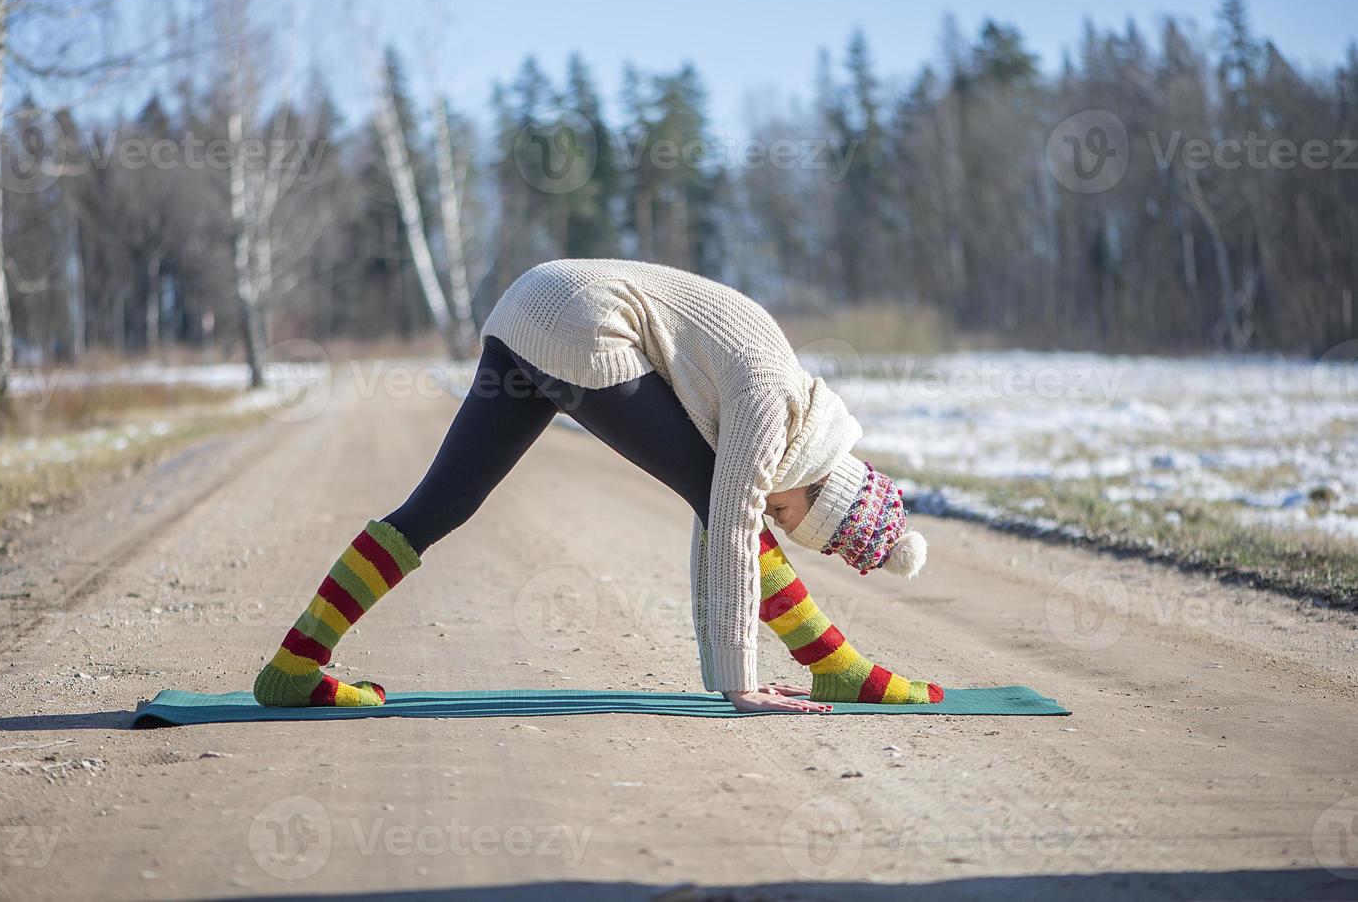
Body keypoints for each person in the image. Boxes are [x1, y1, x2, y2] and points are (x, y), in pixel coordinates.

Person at [254, 259, 941, 714]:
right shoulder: (773, 406)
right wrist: (740, 681)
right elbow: (731, 523)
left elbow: (726, 521)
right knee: (725, 501)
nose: (774, 514)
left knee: (439, 506)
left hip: (531, 304)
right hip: (583, 322)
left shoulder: (788, 407)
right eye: (787, 512)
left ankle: (294, 667)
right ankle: (840, 667)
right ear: (813, 480)